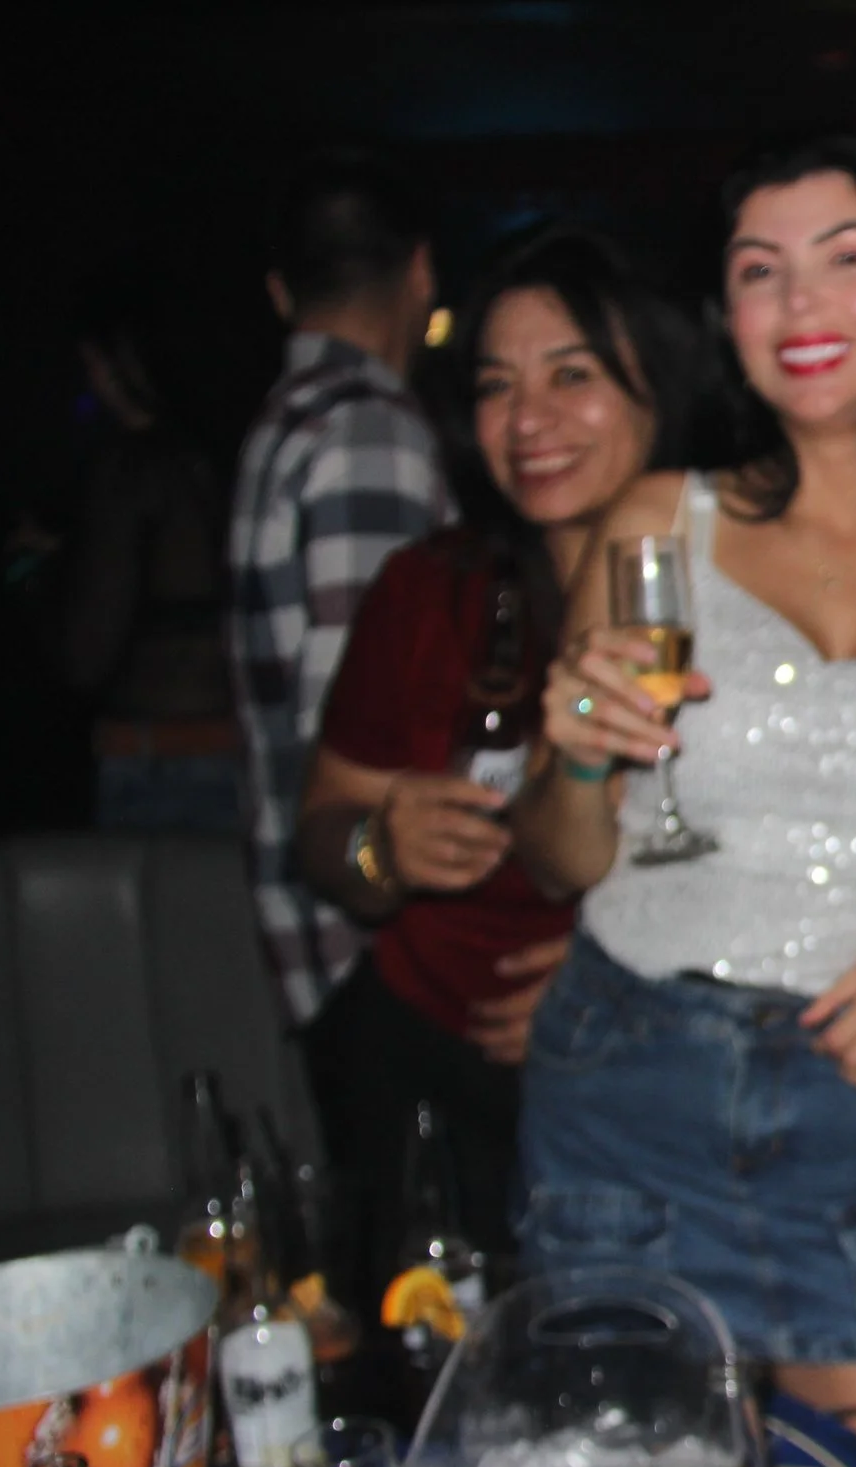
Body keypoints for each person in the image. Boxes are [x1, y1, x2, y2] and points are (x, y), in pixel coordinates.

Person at [514, 138, 856, 1467]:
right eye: (760, 273)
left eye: (844, 259)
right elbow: (561, 856)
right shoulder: (656, 523)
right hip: (628, 1076)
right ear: (730, 323)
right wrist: (576, 762)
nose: (800, 304)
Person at [291, 225, 695, 1310]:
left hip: (656, 1085)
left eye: (573, 375)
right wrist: (383, 844)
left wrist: (600, 988)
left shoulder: (730, 600)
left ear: (660, 382)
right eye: (495, 384)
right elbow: (325, 828)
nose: (528, 421)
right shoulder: (430, 589)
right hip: (426, 1068)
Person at [226, 149, 448, 1034]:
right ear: (423, 271)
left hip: (331, 930)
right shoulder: (366, 428)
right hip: (377, 938)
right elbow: (367, 717)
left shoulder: (288, 417)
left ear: (282, 293)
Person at [60, 285, 238, 833]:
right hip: (237, 759)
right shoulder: (227, 458)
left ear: (124, 363)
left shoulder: (132, 474)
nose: (90, 377)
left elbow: (83, 651)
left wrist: (29, 576)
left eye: (94, 360)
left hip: (157, 768)